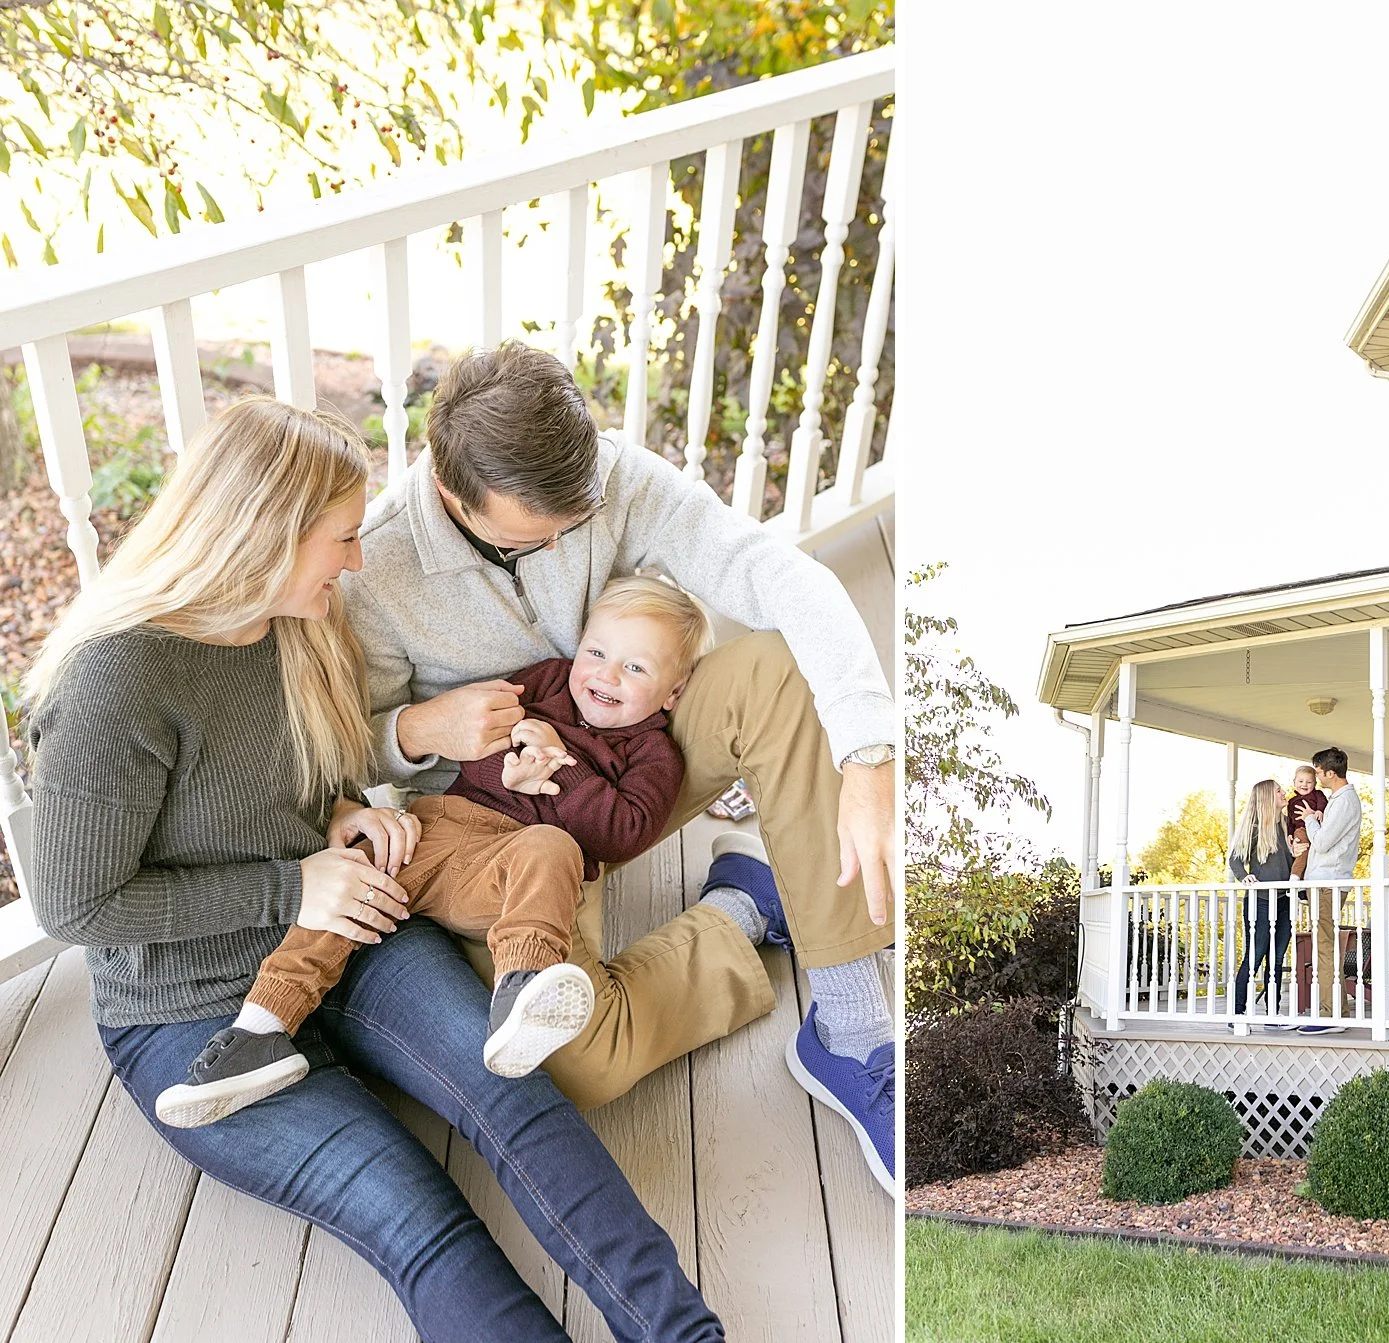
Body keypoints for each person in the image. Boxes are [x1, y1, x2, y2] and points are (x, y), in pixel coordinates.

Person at [24, 398, 724, 1342]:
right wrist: (291, 885)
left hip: (356, 929)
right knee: (418, 1220)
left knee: (516, 1103)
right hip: (192, 1011)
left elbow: (294, 780)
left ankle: (688, 1333)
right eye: (342, 538)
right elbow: (75, 904)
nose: (359, 561)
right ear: (263, 534)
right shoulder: (116, 684)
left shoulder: (293, 626)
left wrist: (342, 813)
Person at [344, 340, 896, 1193]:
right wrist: (419, 727)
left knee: (779, 670)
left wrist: (869, 756)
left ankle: (855, 1030)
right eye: (542, 534)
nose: (571, 539)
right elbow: (350, 748)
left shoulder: (604, 474)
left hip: (639, 767)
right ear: (453, 494)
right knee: (576, 1066)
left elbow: (768, 569)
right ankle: (741, 911)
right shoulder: (376, 569)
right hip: (503, 837)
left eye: (579, 518)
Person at [153, 574, 712, 1128]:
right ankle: (263, 1028)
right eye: (596, 651)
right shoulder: (549, 682)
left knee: (552, 845)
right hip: (438, 825)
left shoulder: (655, 755)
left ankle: (522, 994)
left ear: (674, 692)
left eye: (635, 668)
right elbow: (477, 742)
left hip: (505, 869)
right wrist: (512, 767)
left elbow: (623, 832)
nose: (604, 675)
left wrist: (558, 767)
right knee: (355, 874)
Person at [1296, 746, 1363, 1035]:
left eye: (1319, 773)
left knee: (1324, 948)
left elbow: (1321, 844)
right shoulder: (1339, 801)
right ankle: (1338, 1012)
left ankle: (1329, 1015)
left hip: (1327, 882)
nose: (1317, 778)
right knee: (1326, 947)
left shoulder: (1345, 801)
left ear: (1331, 773)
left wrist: (1310, 819)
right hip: (1324, 881)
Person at [1228, 779, 1293, 1023]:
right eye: (1279, 791)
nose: (1284, 793)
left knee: (1276, 960)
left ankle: (1273, 1013)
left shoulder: (1287, 824)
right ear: (1267, 798)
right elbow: (1235, 860)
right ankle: (1238, 1013)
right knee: (1254, 957)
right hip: (1261, 903)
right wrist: (1245, 878)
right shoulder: (1254, 828)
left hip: (1285, 901)